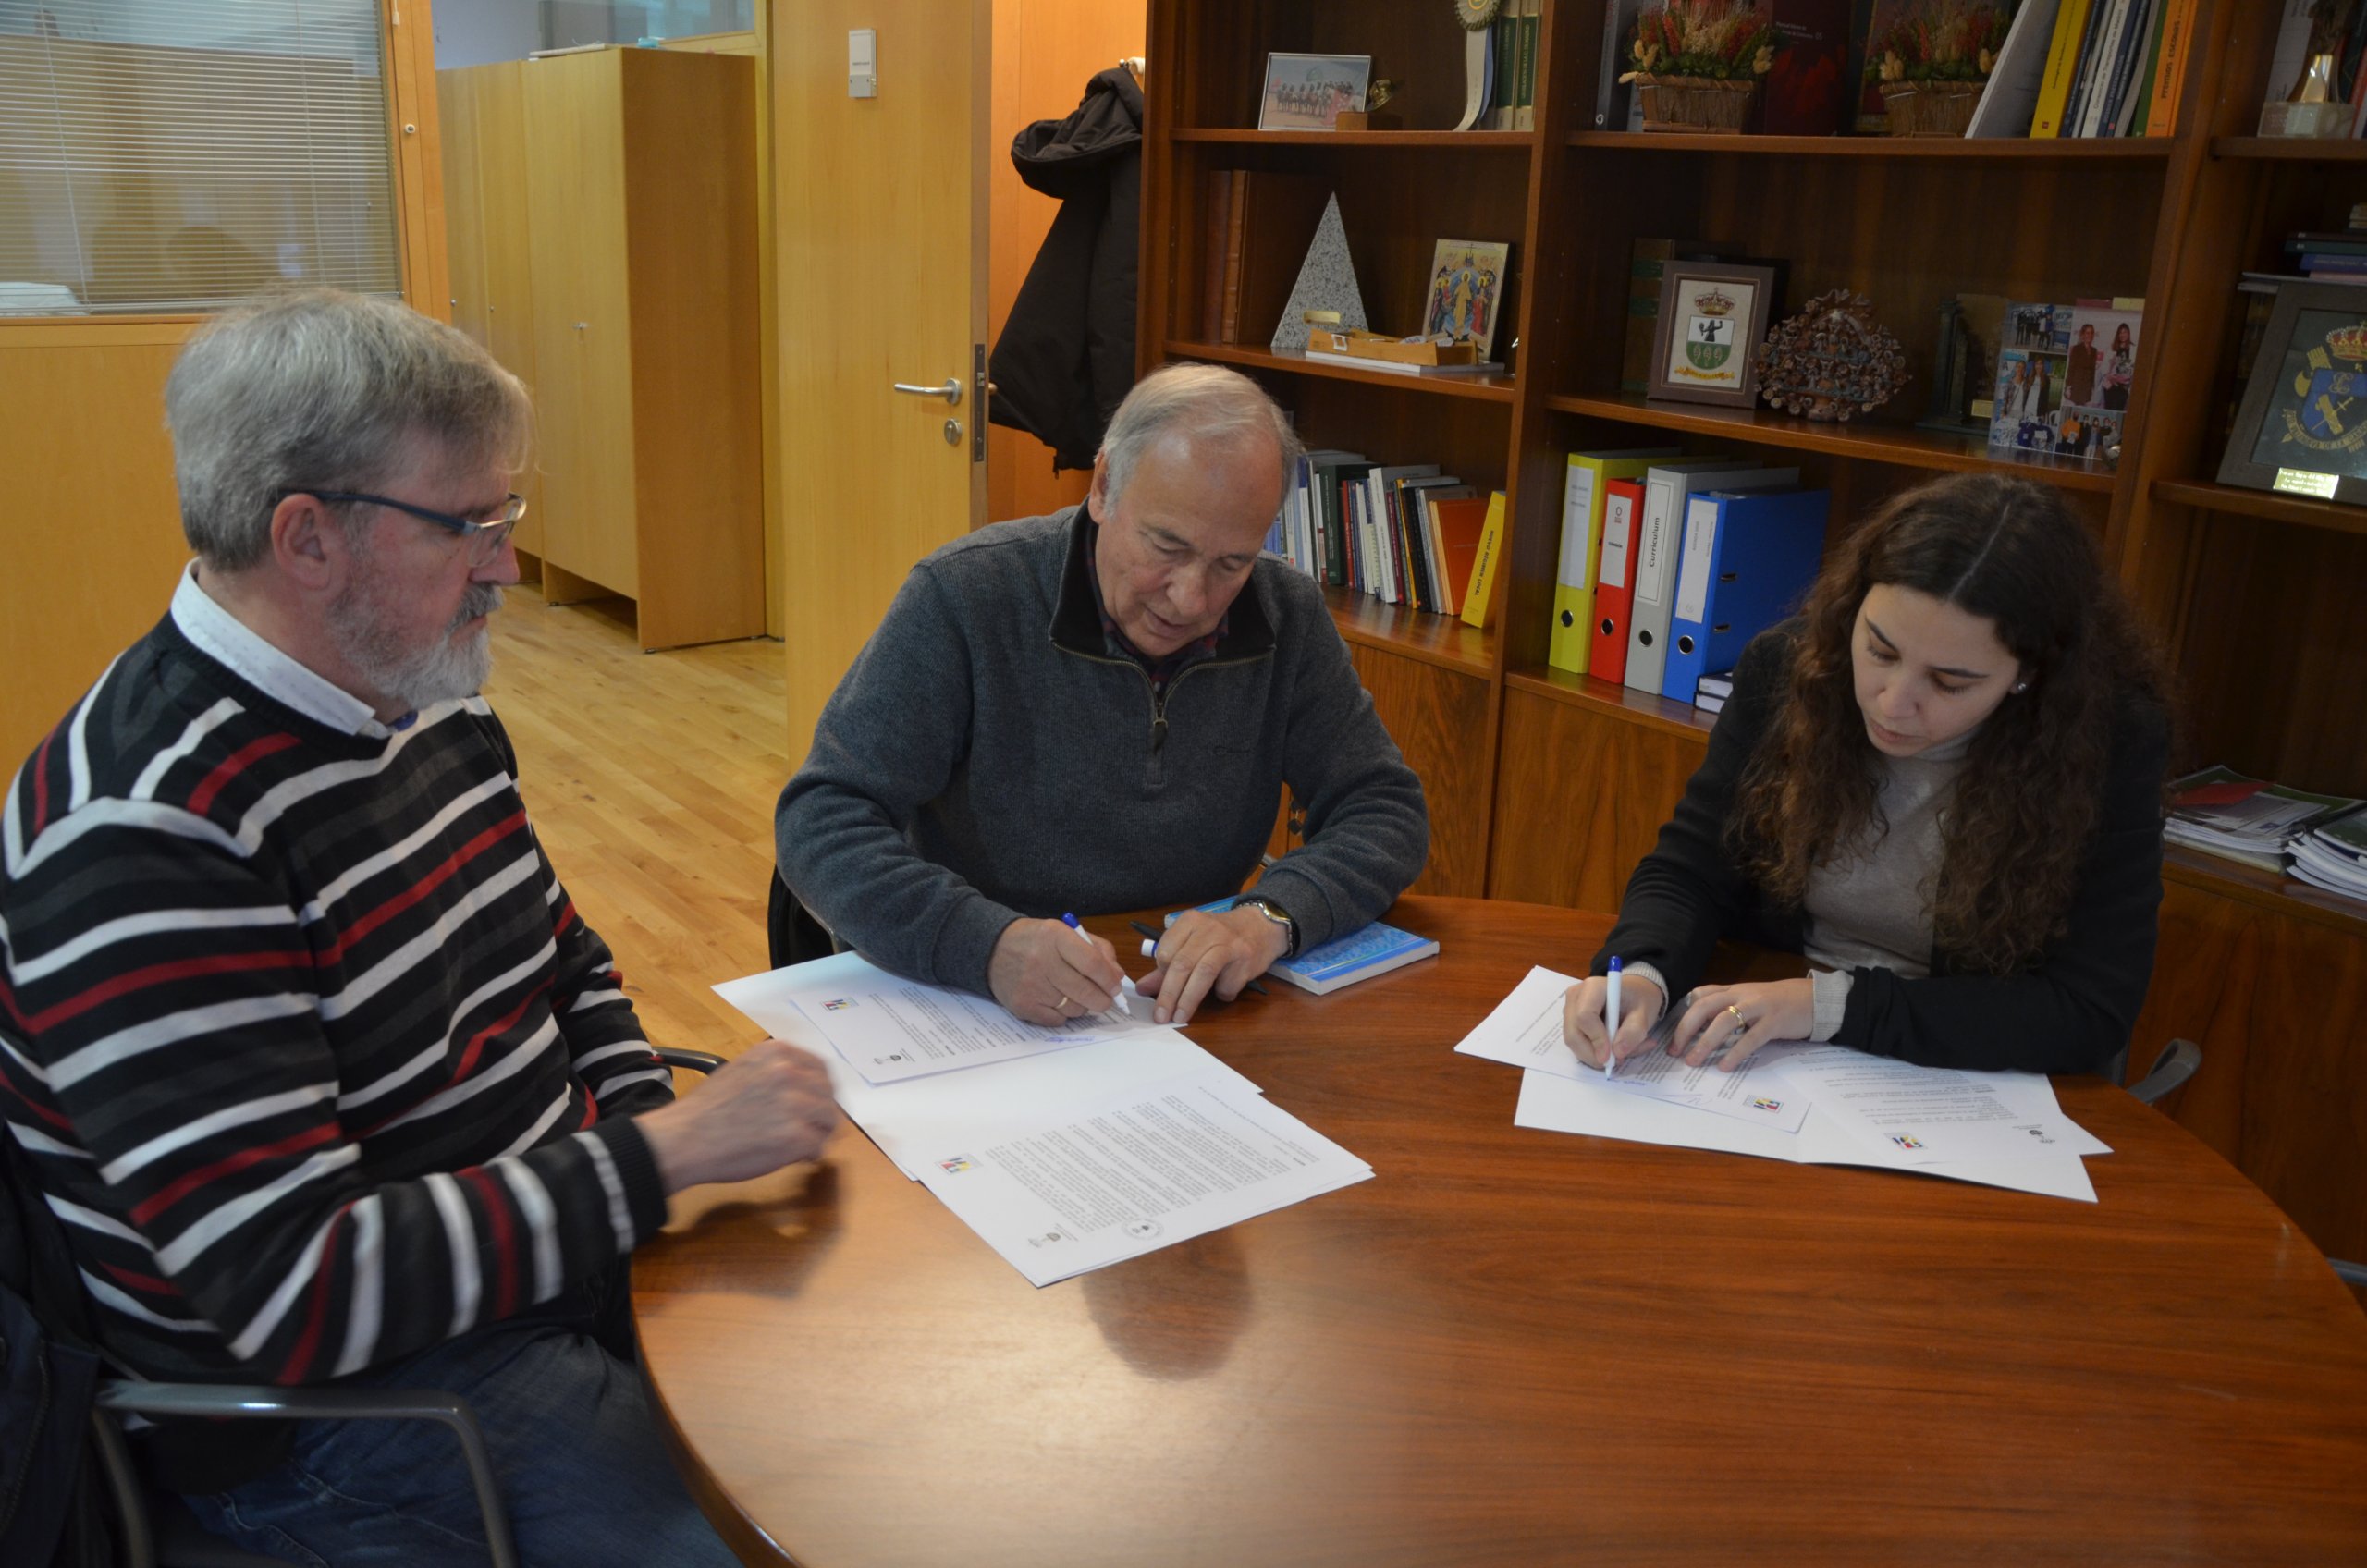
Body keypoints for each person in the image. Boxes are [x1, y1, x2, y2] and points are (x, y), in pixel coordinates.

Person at [0, 289, 838, 1567]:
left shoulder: (412, 693)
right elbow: (298, 1294)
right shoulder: (146, 834)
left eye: (506, 517)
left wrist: (638, 1124)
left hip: (540, 1253)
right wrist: (661, 1167)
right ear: (308, 539)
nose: (506, 565)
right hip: (344, 1412)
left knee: (851, 1425)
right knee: (770, 1538)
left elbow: (558, 948)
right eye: (471, 525)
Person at [777, 363, 1429, 1029]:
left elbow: (1383, 808)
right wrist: (986, 945)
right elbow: (822, 819)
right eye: (1166, 546)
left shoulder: (1284, 612)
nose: (1191, 599)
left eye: (1231, 562)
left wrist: (1268, 917)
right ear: (1102, 487)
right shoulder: (967, 597)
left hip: (1178, 1010)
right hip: (976, 1006)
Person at [1560, 472, 2171, 1077]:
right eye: (1879, 650)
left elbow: (2088, 1012)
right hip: (1768, 1051)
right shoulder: (1788, 673)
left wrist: (1830, 1005)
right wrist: (1643, 972)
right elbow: (1691, 868)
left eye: (1950, 682)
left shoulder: (2108, 743)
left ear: (2029, 673)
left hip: (1953, 1068)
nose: (1892, 702)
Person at [2067, 320, 2100, 407]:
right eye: (2087, 333)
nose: (2090, 335)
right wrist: (2068, 387)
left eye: (2092, 333)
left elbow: (2093, 370)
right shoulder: (2076, 349)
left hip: (2087, 388)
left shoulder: (2094, 350)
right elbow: (2071, 369)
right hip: (2077, 386)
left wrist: (2092, 388)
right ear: (2083, 334)